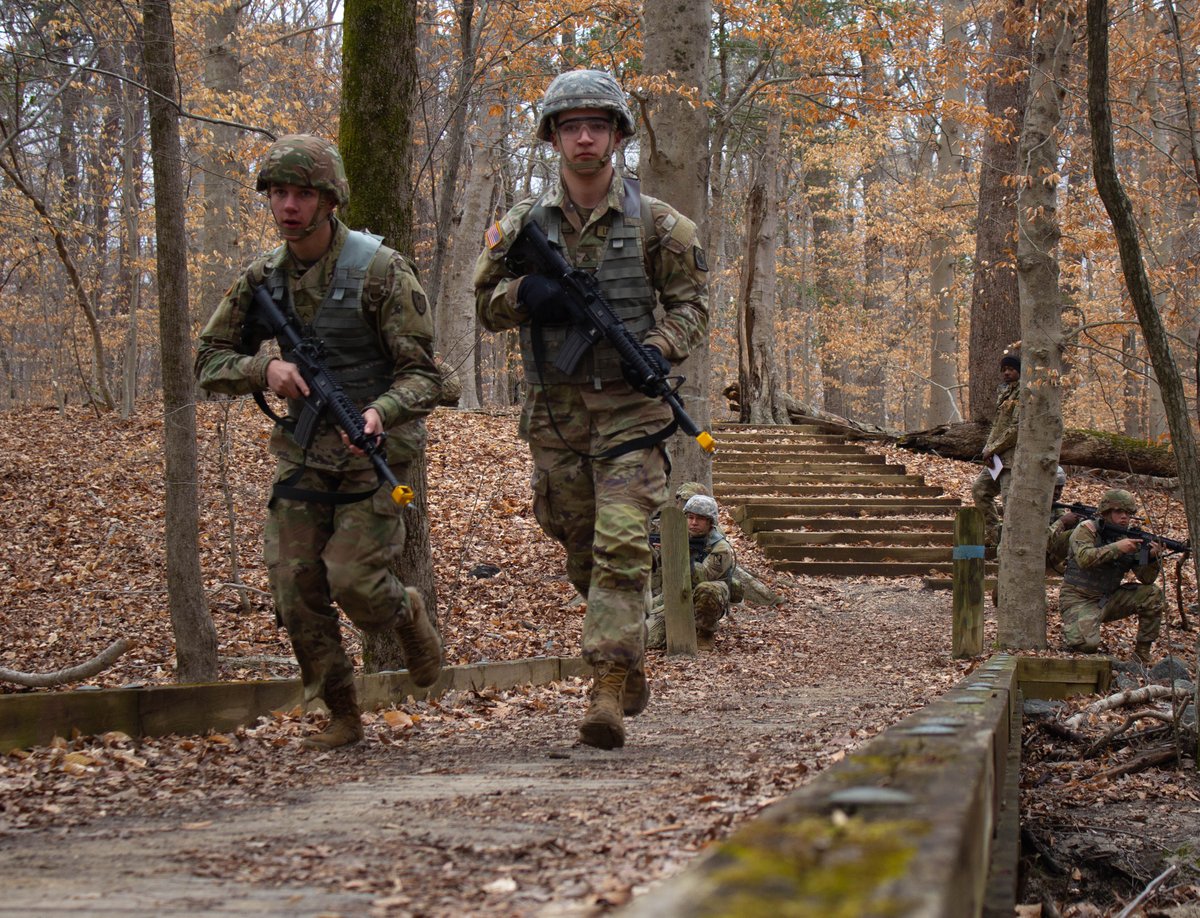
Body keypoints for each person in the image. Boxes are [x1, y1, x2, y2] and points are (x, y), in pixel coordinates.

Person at [473, 70, 709, 750]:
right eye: (571, 125)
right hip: (556, 417)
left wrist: (660, 347)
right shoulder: (523, 226)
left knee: (623, 543)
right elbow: (484, 306)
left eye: (597, 125)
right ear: (552, 136)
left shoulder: (659, 224)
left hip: (632, 412)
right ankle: (624, 642)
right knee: (578, 543)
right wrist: (527, 297)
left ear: (616, 136)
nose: (584, 137)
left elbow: (693, 304)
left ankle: (606, 682)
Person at [195, 134, 444, 749]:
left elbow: (427, 376)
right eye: (279, 193)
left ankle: (406, 610)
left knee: (353, 580)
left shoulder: (381, 271)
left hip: (375, 456)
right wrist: (265, 371)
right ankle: (340, 710)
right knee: (293, 586)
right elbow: (207, 358)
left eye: (302, 194)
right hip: (305, 455)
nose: (288, 206)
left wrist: (381, 411)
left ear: (329, 200)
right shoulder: (262, 279)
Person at [1058, 489, 1164, 663]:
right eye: (1118, 512)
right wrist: (1118, 548)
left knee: (1152, 593)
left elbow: (1146, 579)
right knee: (1086, 645)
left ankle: (1142, 654)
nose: (1124, 517)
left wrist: (1152, 557)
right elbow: (1084, 558)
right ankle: (1080, 625)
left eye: (1128, 513)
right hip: (1078, 598)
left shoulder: (1129, 537)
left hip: (1108, 599)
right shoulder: (1087, 529)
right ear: (1106, 512)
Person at [646, 494, 735, 651]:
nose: (694, 523)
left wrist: (676, 551)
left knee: (708, 589)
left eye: (700, 519)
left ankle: (705, 633)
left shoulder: (720, 547)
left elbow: (702, 577)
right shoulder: (677, 536)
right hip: (674, 594)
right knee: (647, 640)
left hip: (704, 596)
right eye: (690, 517)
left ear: (710, 522)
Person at [972, 352, 1021, 546]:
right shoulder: (1005, 393)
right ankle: (993, 535)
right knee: (980, 490)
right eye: (1004, 370)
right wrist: (987, 450)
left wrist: (992, 449)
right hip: (996, 458)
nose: (1006, 373)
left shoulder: (1024, 393)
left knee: (1009, 503)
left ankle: (1008, 545)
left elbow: (1016, 428)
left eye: (1011, 369)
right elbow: (997, 426)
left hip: (1012, 459)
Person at [1046, 466, 1083, 574]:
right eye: (1054, 488)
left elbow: (1061, 529)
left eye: (1060, 488)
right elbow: (1038, 541)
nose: (1057, 492)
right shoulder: (1031, 506)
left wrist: (1075, 522)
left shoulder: (1056, 506)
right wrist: (1063, 521)